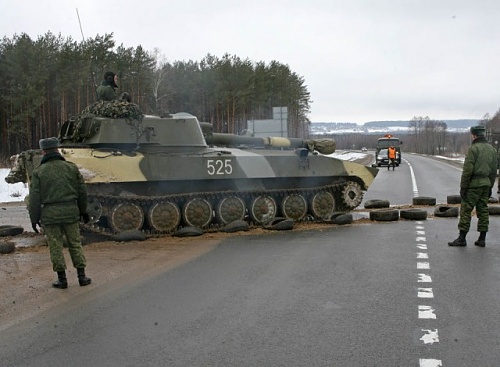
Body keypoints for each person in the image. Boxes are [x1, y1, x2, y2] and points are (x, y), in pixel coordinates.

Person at [28, 137, 92, 288]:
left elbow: (34, 198)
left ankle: (62, 279)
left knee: (55, 245)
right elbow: (82, 192)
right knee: (75, 244)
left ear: (43, 151)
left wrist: (34, 218)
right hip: (70, 212)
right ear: (57, 149)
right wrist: (84, 211)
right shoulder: (71, 167)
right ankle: (82, 277)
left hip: (50, 215)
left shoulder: (39, 172)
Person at [448, 125, 497, 247]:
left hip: (473, 185)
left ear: (474, 135)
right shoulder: (492, 149)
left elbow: (467, 170)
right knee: (483, 210)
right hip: (485, 184)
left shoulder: (473, 149)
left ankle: (462, 238)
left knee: (466, 210)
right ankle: (482, 238)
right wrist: (490, 186)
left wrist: (463, 187)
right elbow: (493, 171)